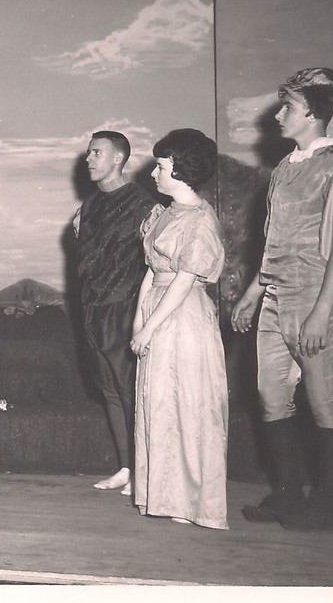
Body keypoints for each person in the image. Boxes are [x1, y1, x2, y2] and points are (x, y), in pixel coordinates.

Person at [231, 68, 333, 531]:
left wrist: (321, 313)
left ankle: (329, 505)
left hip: (317, 302)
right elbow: (275, 242)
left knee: (324, 400)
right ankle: (289, 497)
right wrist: (254, 292)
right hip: (276, 299)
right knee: (271, 396)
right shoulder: (284, 168)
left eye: (288, 107)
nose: (279, 115)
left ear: (312, 113)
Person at [130, 129, 229, 530]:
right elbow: (152, 271)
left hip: (183, 317)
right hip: (157, 307)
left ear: (182, 169)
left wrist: (149, 328)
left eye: (161, 166)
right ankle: (165, 496)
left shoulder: (201, 220)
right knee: (158, 404)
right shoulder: (163, 213)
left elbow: (184, 281)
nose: (153, 173)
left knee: (187, 405)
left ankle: (192, 502)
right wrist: (139, 320)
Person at [73, 130, 157, 494]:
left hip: (125, 307)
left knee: (128, 390)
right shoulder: (90, 205)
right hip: (93, 308)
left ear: (118, 158)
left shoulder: (143, 204)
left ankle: (145, 472)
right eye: (89, 152)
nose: (88, 159)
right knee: (108, 389)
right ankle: (126, 467)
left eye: (97, 153)